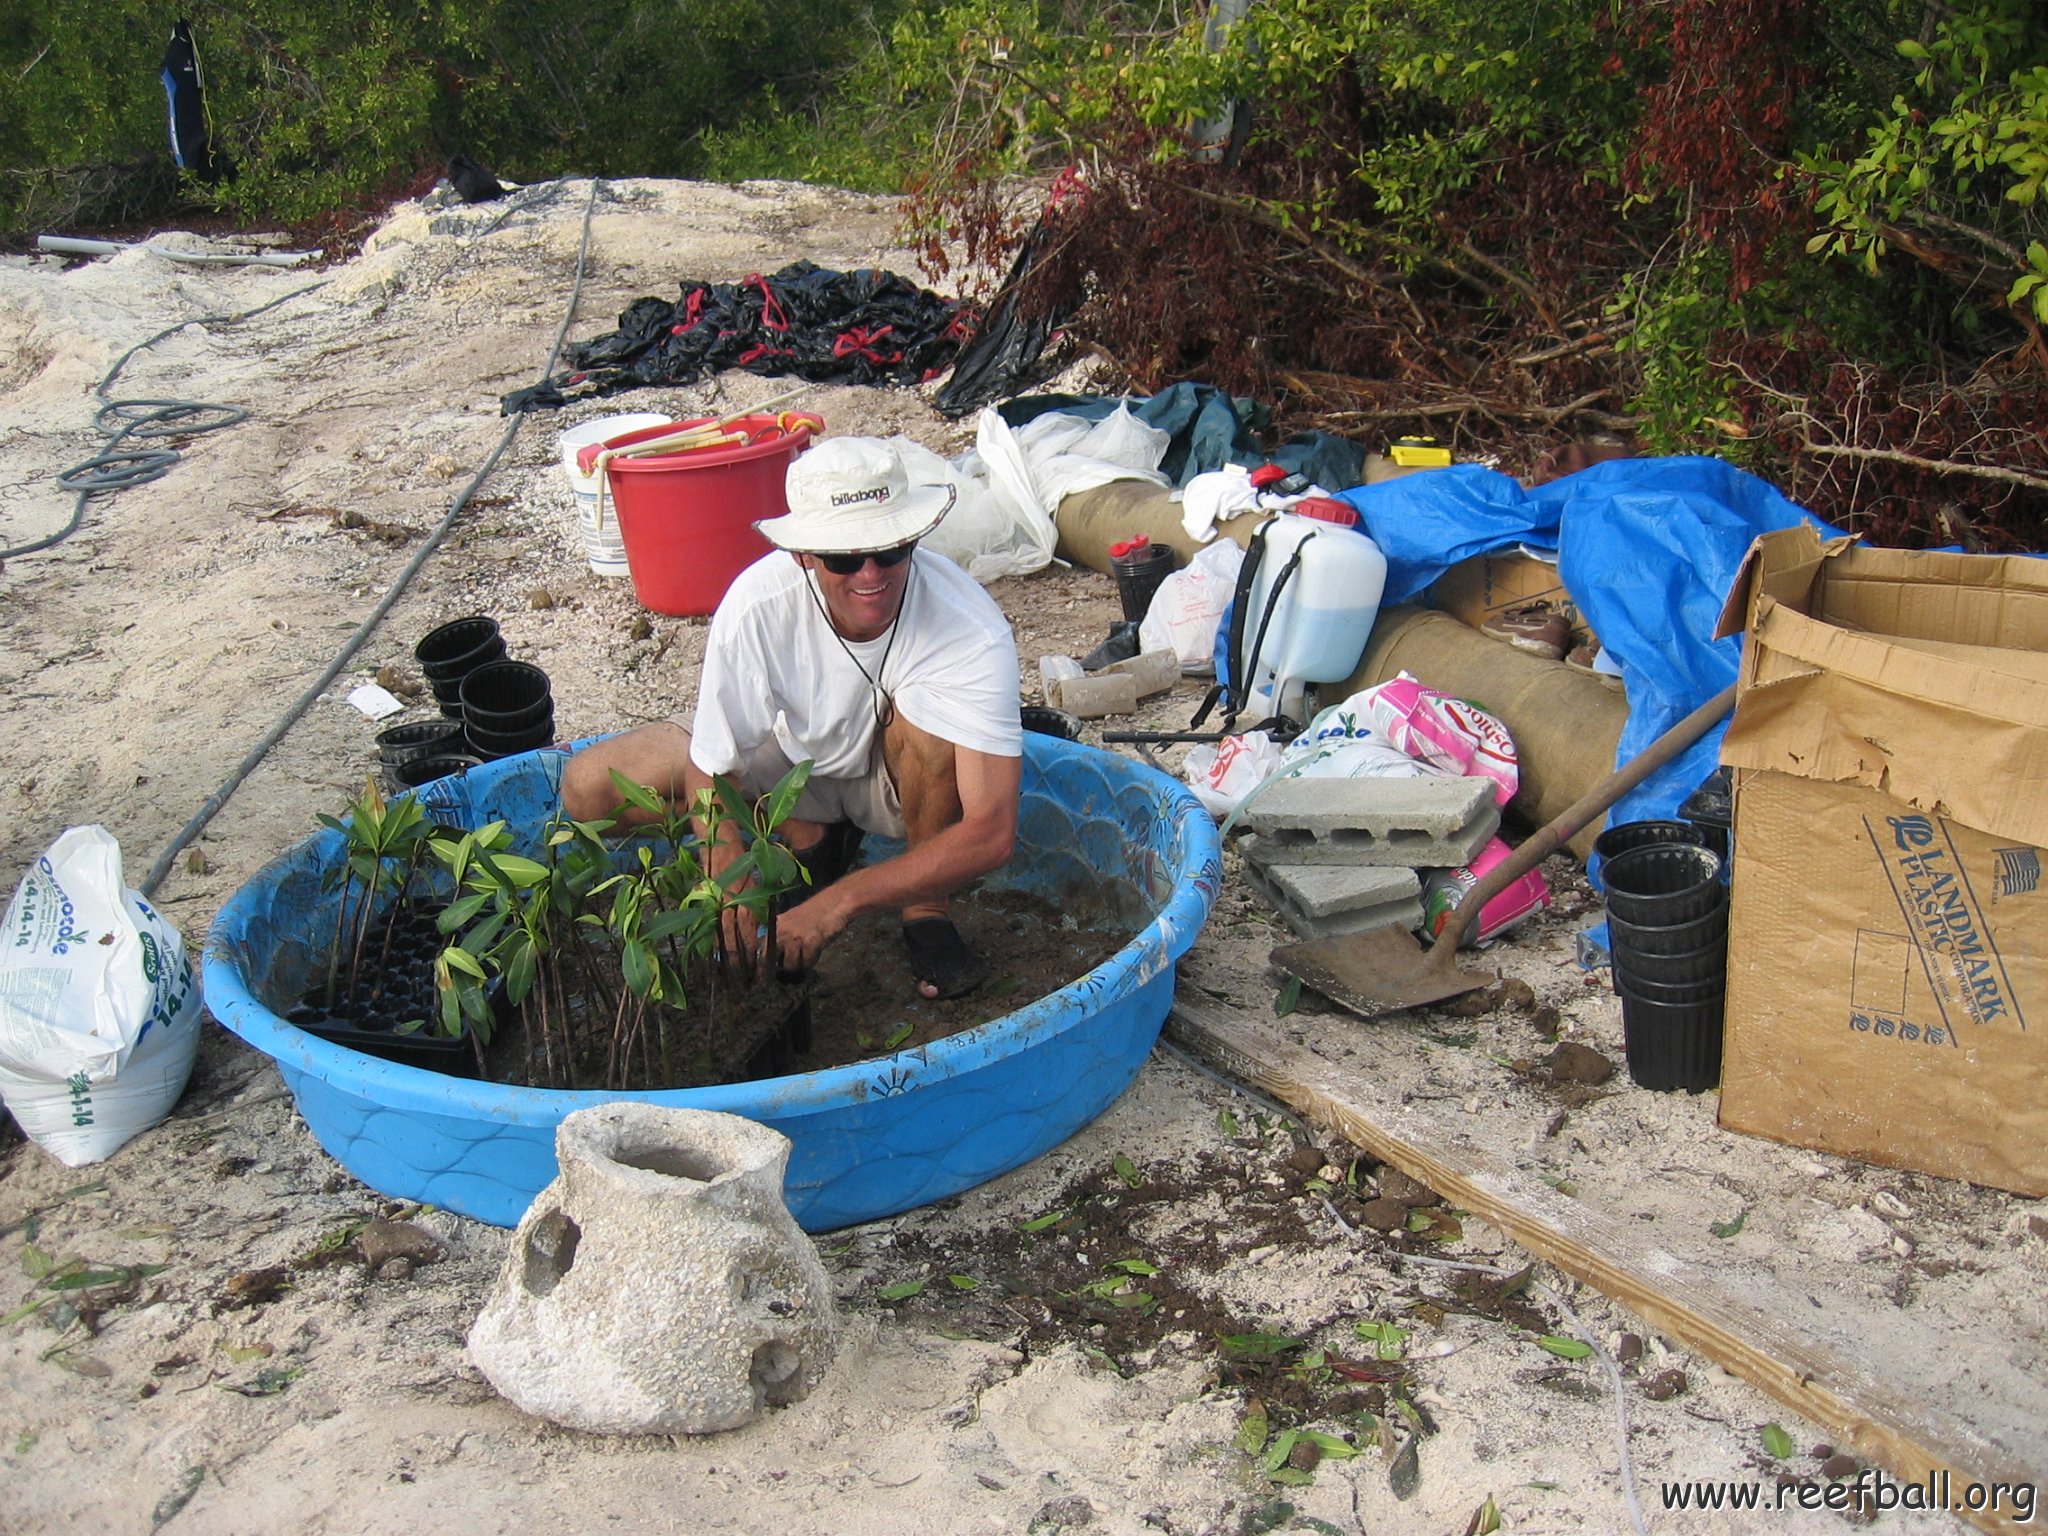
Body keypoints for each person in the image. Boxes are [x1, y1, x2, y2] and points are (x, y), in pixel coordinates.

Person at [560, 435, 1022, 998]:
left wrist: (841, 901)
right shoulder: (758, 605)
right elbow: (713, 764)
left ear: (913, 537)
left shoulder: (970, 627)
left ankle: (925, 907)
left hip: (896, 783)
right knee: (589, 789)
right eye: (845, 557)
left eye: (891, 550)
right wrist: (726, 872)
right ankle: (808, 837)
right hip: (793, 759)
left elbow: (993, 832)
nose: (871, 574)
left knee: (932, 729)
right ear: (804, 553)